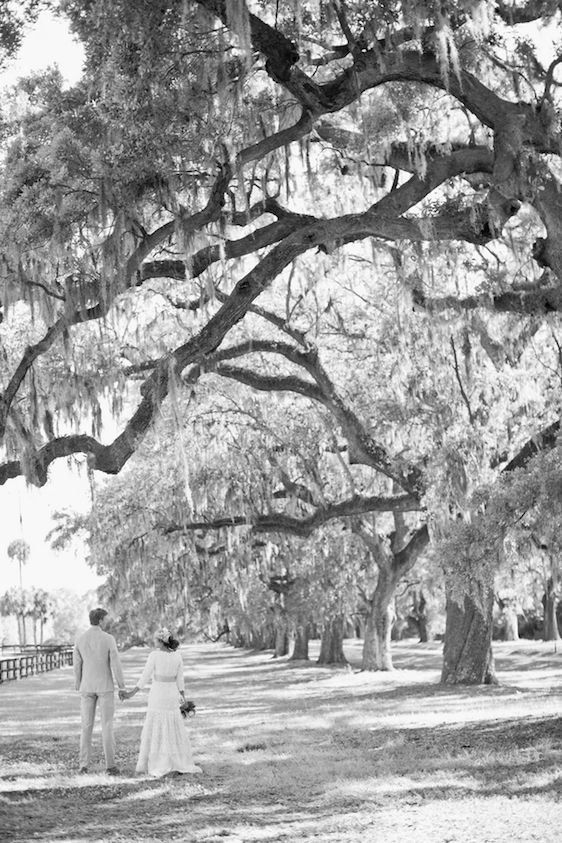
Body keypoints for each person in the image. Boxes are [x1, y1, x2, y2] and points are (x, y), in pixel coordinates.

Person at [120, 627, 201, 777]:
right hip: (171, 694)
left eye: (155, 640)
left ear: (160, 641)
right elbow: (180, 680)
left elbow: (145, 676)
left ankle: (159, 762)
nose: (154, 642)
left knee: (157, 725)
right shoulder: (177, 656)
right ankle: (176, 760)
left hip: (158, 693)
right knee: (172, 725)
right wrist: (182, 698)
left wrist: (131, 693)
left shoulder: (154, 655)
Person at [73, 607, 126, 775]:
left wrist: (78, 684)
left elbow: (77, 665)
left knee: (86, 727)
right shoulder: (108, 638)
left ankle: (83, 765)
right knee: (107, 725)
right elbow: (115, 663)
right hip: (104, 686)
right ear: (101, 620)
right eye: (105, 619)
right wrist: (121, 685)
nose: (107, 622)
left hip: (87, 686)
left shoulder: (80, 639)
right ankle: (110, 765)